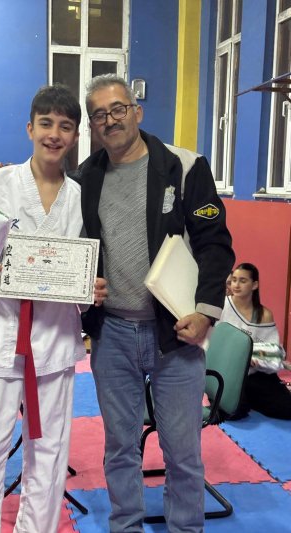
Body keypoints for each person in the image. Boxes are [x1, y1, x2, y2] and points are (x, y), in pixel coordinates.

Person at [77, 74, 235, 533]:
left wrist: (205, 313)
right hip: (112, 334)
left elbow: (215, 244)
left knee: (182, 452)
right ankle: (125, 526)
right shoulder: (83, 178)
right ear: (92, 125)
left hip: (176, 333)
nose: (111, 120)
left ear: (137, 111)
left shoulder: (185, 166)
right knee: (119, 447)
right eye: (99, 115)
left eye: (118, 109)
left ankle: (186, 528)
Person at [0, 84, 107, 533]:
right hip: (1, 336)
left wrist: (91, 288)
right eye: (46, 124)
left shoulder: (81, 197)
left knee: (50, 454)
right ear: (30, 128)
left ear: (75, 136)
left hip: (55, 340)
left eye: (65, 126)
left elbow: (86, 265)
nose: (54, 134)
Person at [219, 263, 291, 420]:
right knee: (234, 412)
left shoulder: (264, 314)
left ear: (254, 285)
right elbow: (214, 344)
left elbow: (273, 352)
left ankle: (253, 398)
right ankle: (246, 399)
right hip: (228, 374)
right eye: (234, 280)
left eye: (243, 281)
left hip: (256, 374)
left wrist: (255, 358)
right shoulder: (222, 306)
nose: (236, 285)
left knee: (288, 409)